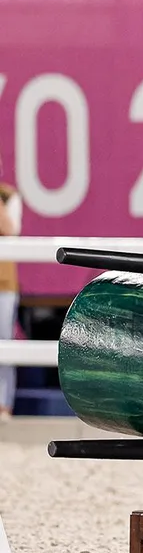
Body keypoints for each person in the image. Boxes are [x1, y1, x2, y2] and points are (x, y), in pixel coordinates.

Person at [0, 153, 20, 420]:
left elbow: (10, 229)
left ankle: (3, 404)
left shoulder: (9, 196)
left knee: (4, 341)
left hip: (3, 282)